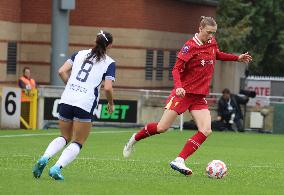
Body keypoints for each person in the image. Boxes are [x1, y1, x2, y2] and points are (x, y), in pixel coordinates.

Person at [123, 16, 252, 176]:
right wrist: (178, 87)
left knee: (206, 130)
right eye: (208, 32)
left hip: (198, 96)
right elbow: (176, 69)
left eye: (213, 33)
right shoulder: (189, 47)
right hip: (183, 94)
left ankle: (179, 160)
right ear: (200, 29)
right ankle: (134, 139)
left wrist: (236, 58)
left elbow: (216, 54)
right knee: (162, 128)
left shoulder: (211, 42)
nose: (211, 36)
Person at [32, 30, 116, 180]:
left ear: (95, 41)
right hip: (85, 102)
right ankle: (56, 168)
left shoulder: (78, 54)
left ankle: (44, 157)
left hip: (67, 98)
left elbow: (61, 71)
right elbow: (108, 87)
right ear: (109, 46)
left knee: (64, 136)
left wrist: (70, 85)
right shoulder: (109, 62)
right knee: (78, 141)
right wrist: (110, 103)